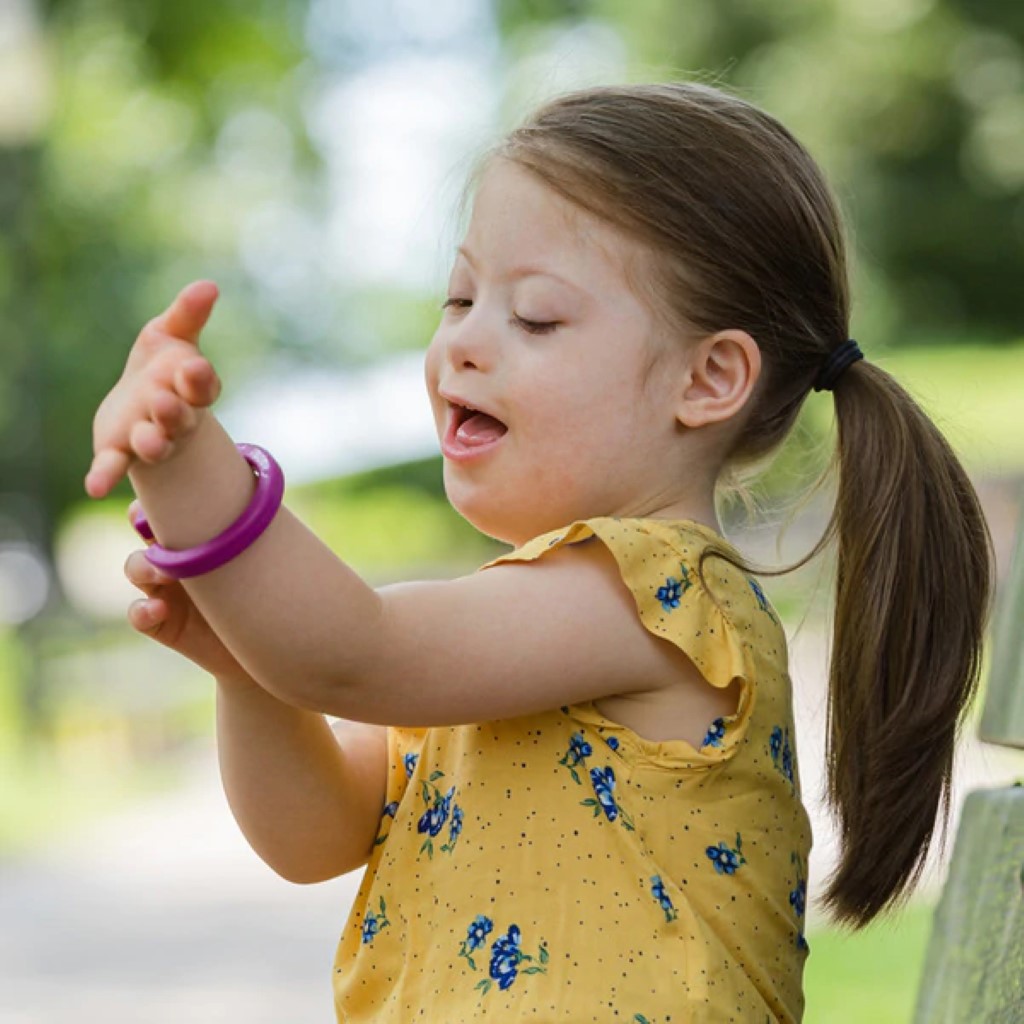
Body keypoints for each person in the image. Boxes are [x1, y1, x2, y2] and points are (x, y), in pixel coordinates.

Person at [86, 82, 995, 1022]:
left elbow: (352, 656)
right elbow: (315, 834)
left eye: (535, 319)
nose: (464, 346)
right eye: (460, 297)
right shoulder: (524, 628)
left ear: (709, 377)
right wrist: (249, 678)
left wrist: (186, 462)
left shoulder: (659, 596)